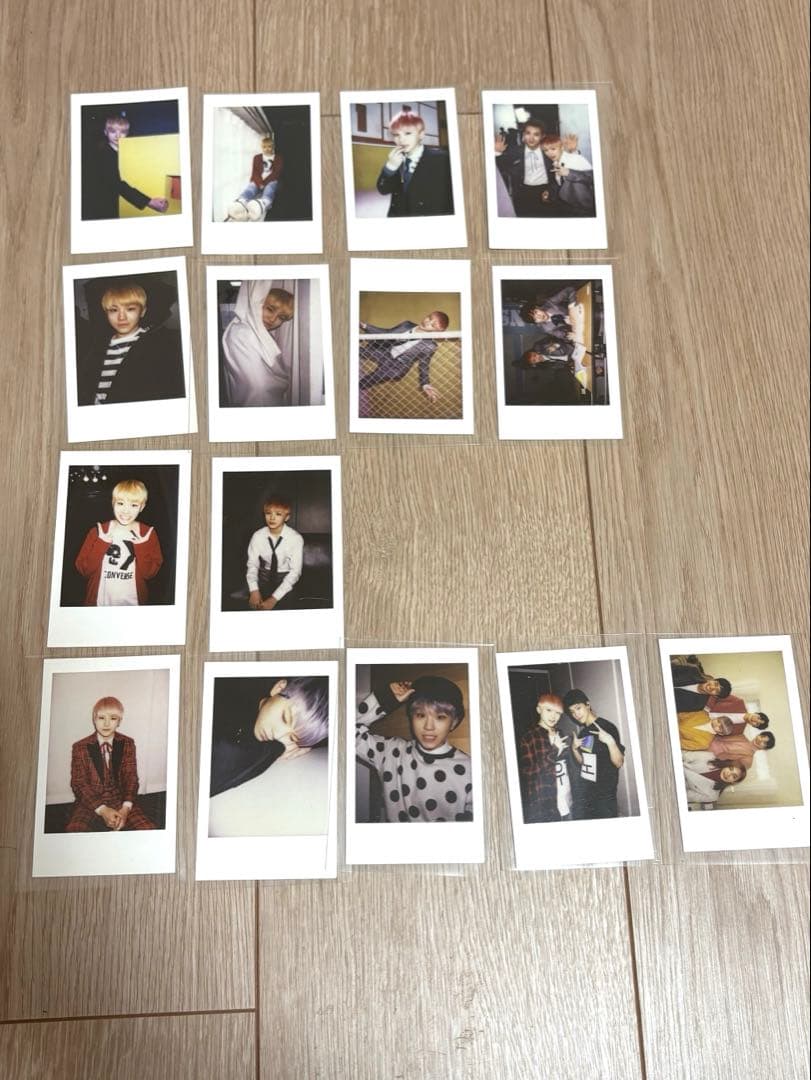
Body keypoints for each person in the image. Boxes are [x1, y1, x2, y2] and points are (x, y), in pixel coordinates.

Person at [355, 676, 473, 822]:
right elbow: (345, 732)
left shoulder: (469, 769)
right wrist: (385, 698)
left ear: (453, 722)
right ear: (411, 718)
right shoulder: (390, 752)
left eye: (440, 717)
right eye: (420, 715)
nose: (428, 727)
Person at [210, 677, 329, 797]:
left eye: (292, 738)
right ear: (279, 688)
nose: (278, 735)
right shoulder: (224, 698)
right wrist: (275, 749)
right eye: (284, 717)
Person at [77, 280, 185, 406]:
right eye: (114, 310)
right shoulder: (95, 350)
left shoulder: (159, 345)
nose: (121, 317)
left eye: (130, 309)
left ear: (142, 311)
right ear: (106, 313)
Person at [65, 696, 156, 831]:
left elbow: (131, 778)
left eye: (113, 718)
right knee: (74, 831)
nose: (106, 724)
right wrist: (102, 810)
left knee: (148, 830)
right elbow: (79, 784)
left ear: (119, 721)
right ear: (94, 719)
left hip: (121, 800)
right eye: (101, 718)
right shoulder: (80, 747)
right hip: (90, 802)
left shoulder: (127, 743)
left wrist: (125, 808)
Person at [75, 479, 163, 606]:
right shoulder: (99, 531)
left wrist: (142, 546)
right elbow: (84, 570)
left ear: (142, 507)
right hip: (99, 605)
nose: (126, 511)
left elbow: (149, 574)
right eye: (120, 503)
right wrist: (101, 543)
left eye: (134, 505)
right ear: (113, 503)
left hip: (133, 606)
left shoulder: (147, 533)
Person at [82, 113, 170, 221]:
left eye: (122, 132)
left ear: (127, 133)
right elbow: (116, 184)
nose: (118, 135)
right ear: (105, 132)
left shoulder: (126, 152)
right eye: (113, 131)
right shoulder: (104, 154)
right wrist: (148, 202)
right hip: (104, 206)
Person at [221, 281, 294, 406]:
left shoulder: (263, 334)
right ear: (257, 305)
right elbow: (257, 387)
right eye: (270, 309)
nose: (273, 319)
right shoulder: (241, 332)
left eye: (281, 317)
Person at [375, 110, 454, 217]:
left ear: (421, 134)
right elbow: (383, 190)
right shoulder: (396, 159)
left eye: (408, 133)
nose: (401, 139)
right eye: (396, 135)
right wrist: (390, 167)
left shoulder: (442, 158)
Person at [359, 311, 449, 403]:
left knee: (369, 380)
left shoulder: (430, 346)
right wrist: (365, 326)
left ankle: (357, 387)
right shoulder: (406, 325)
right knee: (359, 350)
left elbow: (424, 365)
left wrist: (425, 384)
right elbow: (387, 333)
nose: (427, 323)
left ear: (435, 331)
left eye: (432, 325)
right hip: (386, 352)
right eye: (429, 318)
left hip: (396, 367)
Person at [562, 688, 625, 819]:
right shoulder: (583, 733)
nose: (576, 714)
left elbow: (619, 763)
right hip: (587, 795)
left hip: (605, 798)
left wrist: (610, 742)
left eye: (578, 708)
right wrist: (574, 749)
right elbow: (584, 763)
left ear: (587, 704)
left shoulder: (607, 727)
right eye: (572, 712)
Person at [516, 692, 577, 823]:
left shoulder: (560, 733)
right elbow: (527, 774)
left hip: (568, 799)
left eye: (558, 713)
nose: (553, 716)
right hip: (547, 804)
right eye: (549, 710)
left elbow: (566, 766)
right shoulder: (529, 737)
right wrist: (553, 751)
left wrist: (574, 749)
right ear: (539, 709)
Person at [246, 494, 304, 611]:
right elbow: (252, 564)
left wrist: (274, 599)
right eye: (268, 513)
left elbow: (295, 572)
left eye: (278, 514)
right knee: (254, 607)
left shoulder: (295, 538)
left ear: (286, 517)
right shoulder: (257, 536)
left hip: (286, 578)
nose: (272, 518)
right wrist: (254, 590)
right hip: (263, 576)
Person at [494, 118, 557, 217]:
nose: (531, 138)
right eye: (528, 133)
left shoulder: (548, 151)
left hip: (545, 190)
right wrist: (497, 152)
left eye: (536, 134)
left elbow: (562, 165)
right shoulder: (515, 151)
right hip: (523, 193)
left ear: (542, 136)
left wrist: (551, 190)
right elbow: (500, 167)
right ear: (523, 134)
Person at [226, 131, 284, 222]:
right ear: (262, 147)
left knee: (270, 187)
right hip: (259, 181)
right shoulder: (257, 157)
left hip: (271, 181)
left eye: (269, 146)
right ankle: (241, 201)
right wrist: (260, 183)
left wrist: (264, 183)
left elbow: (275, 174)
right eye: (264, 147)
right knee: (252, 186)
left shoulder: (278, 158)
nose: (267, 149)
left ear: (273, 147)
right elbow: (255, 173)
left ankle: (264, 203)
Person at [540, 134, 596, 216]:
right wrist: (549, 191)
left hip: (584, 209)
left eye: (553, 149)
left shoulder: (576, 158)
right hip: (568, 207)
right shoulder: (555, 163)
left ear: (562, 148)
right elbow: (561, 183)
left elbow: (592, 177)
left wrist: (569, 173)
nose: (549, 153)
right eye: (546, 150)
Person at [681, 752, 747, 807]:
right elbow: (684, 756)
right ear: (727, 765)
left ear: (733, 782)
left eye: (734, 776)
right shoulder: (710, 756)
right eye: (730, 769)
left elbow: (685, 796)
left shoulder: (712, 796)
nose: (729, 774)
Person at [708, 730, 775, 770]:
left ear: (764, 748)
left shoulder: (748, 761)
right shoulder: (741, 735)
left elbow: (726, 769)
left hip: (709, 760)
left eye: (764, 742)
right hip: (706, 742)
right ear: (758, 735)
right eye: (762, 737)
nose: (760, 740)